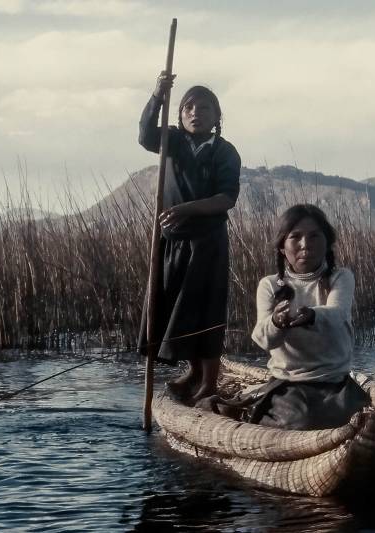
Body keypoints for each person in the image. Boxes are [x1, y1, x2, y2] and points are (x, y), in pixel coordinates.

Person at [138, 72, 241, 403]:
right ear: (180, 115)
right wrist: (157, 96)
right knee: (175, 308)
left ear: (217, 117)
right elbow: (144, 136)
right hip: (172, 240)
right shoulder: (171, 141)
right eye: (188, 107)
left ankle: (209, 382)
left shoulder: (224, 152)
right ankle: (194, 371)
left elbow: (226, 199)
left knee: (206, 310)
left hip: (207, 242)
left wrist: (186, 209)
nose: (196, 113)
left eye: (205, 108)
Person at [248, 204, 368, 430]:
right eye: (295, 237)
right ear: (283, 247)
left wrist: (312, 315)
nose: (305, 245)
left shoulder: (340, 277)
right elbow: (263, 338)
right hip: (290, 383)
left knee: (357, 424)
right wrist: (276, 323)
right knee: (302, 423)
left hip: (334, 382)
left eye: (314, 236)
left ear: (327, 243)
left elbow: (338, 314)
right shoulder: (269, 285)